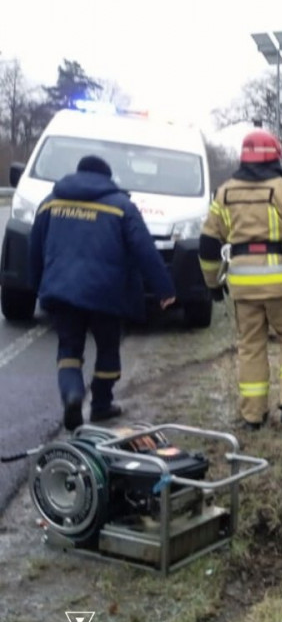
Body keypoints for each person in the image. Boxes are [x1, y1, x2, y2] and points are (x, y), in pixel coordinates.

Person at [198, 130, 282, 431]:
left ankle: (252, 416)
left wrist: (212, 283)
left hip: (244, 287)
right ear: (276, 155)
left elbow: (208, 244)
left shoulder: (225, 193)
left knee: (250, 346)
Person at [29, 155, 177, 431]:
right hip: (107, 293)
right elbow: (144, 248)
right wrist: (163, 288)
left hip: (62, 290)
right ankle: (100, 405)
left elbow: (35, 248)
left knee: (69, 348)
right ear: (107, 178)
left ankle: (72, 394)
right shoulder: (121, 206)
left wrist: (37, 285)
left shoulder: (50, 202)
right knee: (108, 347)